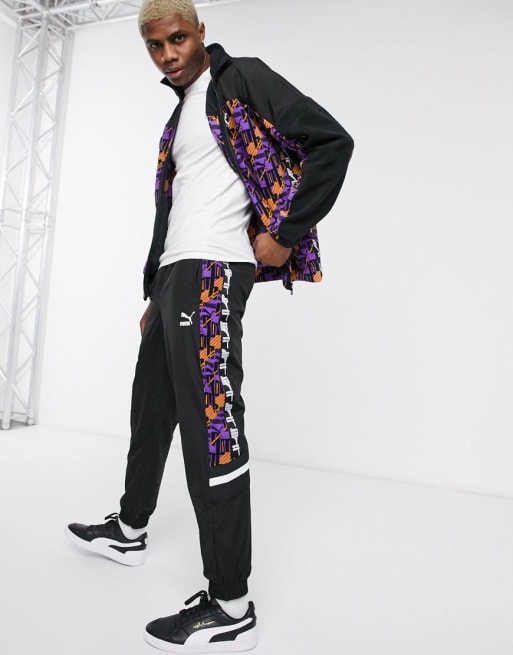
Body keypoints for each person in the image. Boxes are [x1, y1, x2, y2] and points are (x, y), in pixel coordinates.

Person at [66, 0, 354, 652]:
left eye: (176, 38)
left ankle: (230, 602)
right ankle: (130, 529)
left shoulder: (239, 79)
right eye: (154, 45)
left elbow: (331, 141)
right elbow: (175, 209)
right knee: (151, 410)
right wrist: (155, 290)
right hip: (176, 276)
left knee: (211, 429)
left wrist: (284, 232)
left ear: (199, 32)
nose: (168, 53)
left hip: (213, 271)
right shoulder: (178, 117)